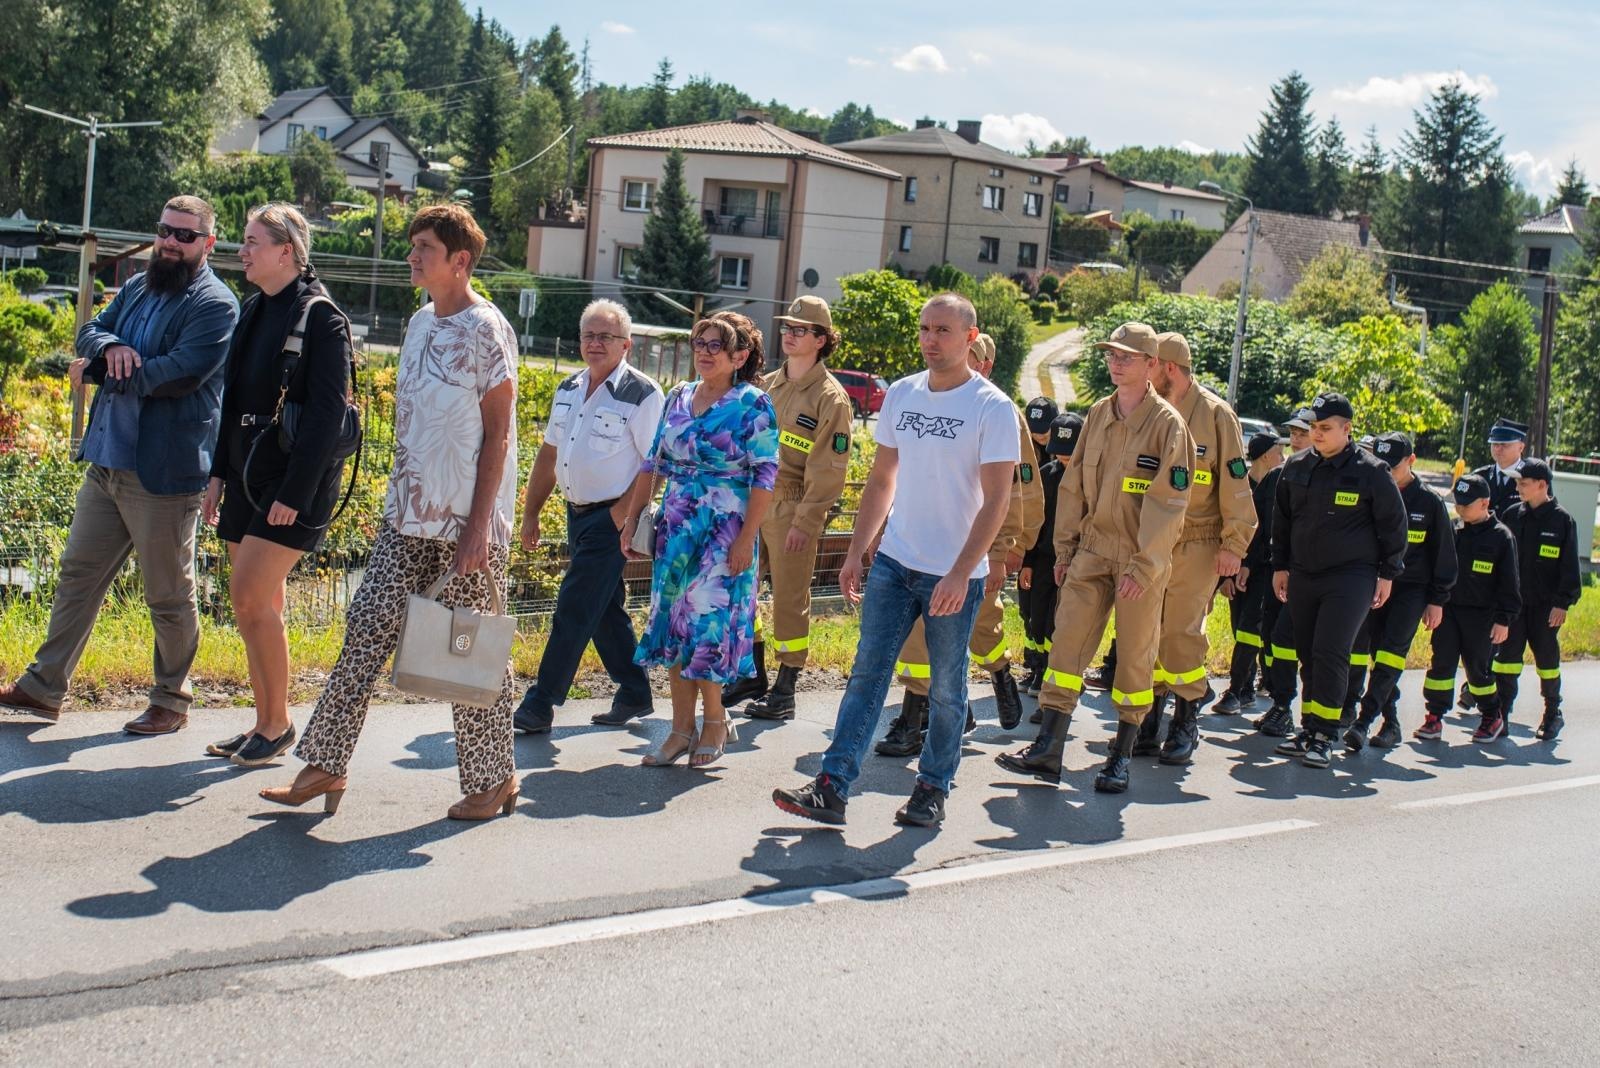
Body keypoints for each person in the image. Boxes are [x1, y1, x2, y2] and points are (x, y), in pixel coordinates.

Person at [260, 204, 521, 820]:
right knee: (366, 630)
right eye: (412, 246)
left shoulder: (488, 329)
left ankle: (493, 780)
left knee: (467, 651)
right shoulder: (420, 322)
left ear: (460, 260)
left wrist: (479, 528)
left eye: (423, 247)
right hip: (406, 514)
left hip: (465, 523)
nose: (412, 256)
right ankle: (325, 764)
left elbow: (499, 435)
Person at [771, 293, 1018, 828]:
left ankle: (931, 788)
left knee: (948, 689)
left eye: (944, 331)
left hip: (954, 575)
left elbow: (998, 500)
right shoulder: (903, 394)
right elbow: (883, 479)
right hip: (895, 563)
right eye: (925, 329)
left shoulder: (992, 408)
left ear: (970, 338)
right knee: (867, 675)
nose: (931, 340)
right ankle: (833, 785)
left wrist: (960, 572)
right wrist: (859, 550)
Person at [0, 197, 238, 734]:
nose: (171, 243)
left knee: (168, 596)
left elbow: (179, 374)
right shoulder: (138, 286)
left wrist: (100, 371)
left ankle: (171, 700)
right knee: (77, 577)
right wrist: (107, 347)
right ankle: (43, 688)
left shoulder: (216, 304)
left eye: (185, 235)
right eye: (165, 231)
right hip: (107, 462)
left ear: (208, 244)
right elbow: (90, 329)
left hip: (162, 475)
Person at [995, 321, 1194, 793]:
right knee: (1066, 647)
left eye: (1126, 356)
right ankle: (1048, 749)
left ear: (1151, 365)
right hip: (1090, 551)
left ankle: (1121, 756)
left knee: (1134, 659)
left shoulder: (1169, 427)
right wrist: (1064, 549)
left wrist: (1144, 566)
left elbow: (1170, 504)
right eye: (1111, 354)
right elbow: (1072, 486)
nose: (1115, 362)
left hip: (1138, 561)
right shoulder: (1099, 415)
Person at [202, 203, 354, 766]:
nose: (242, 251)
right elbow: (232, 402)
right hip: (246, 474)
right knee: (259, 604)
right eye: (242, 241)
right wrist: (218, 475)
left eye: (252, 241)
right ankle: (267, 723)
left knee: (246, 597)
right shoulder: (252, 308)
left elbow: (325, 417)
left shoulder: (322, 318)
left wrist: (294, 493)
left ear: (286, 250)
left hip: (294, 484)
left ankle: (278, 724)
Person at [621, 312, 778, 768]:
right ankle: (678, 729)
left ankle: (713, 721)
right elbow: (653, 462)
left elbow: (766, 475)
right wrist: (632, 521)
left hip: (725, 528)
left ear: (740, 357)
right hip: (676, 528)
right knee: (671, 624)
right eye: (700, 344)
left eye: (716, 346)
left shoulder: (754, 404)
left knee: (706, 625)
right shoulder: (678, 395)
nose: (705, 353)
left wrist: (747, 538)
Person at [876, 332, 1041, 756]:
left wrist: (1003, 552)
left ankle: (1001, 676)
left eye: (982, 359)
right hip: (922, 549)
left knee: (984, 630)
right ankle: (915, 717)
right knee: (919, 636)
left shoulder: (1000, 412)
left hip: (977, 549)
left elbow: (1014, 496)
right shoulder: (921, 397)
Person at [512, 299, 664, 734]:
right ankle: (635, 690)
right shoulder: (569, 388)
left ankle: (541, 703)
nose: (595, 344)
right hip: (575, 515)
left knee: (575, 606)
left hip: (614, 519)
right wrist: (532, 512)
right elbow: (549, 454)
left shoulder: (644, 393)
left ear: (626, 345)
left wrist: (624, 516)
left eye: (606, 337)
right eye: (588, 335)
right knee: (603, 610)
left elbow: (657, 464)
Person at [1133, 332, 1255, 766]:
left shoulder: (1216, 416)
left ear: (1168, 368)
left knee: (1182, 632)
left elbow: (1238, 489)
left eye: (1149, 366)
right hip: (1152, 543)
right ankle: (1149, 719)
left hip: (1199, 542)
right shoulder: (1149, 413)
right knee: (1146, 631)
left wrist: (1233, 547)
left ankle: (1186, 719)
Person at [1269, 393, 1407, 769]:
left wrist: (1387, 574)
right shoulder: (1296, 466)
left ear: (1347, 429)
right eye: (1313, 427)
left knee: (1331, 650)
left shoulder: (1371, 471)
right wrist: (1280, 566)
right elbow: (1281, 523)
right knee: (1309, 653)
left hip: (1352, 577)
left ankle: (1326, 734)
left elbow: (1394, 525)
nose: (1317, 434)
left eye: (1325, 428)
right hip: (1303, 573)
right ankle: (1310, 728)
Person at [738, 296, 854, 721]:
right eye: (787, 327)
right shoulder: (768, 385)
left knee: (789, 597)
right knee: (740, 587)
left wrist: (806, 521)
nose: (789, 334)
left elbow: (828, 470)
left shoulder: (831, 399)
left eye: (800, 330)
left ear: (821, 339)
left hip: (792, 504)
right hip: (755, 500)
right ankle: (751, 672)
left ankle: (785, 687)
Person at [1341, 432, 1456, 751]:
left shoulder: (1430, 502)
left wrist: (1437, 600)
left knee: (1391, 654)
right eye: (1382, 465)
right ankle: (1389, 721)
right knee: (1372, 653)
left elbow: (1444, 554)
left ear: (1412, 461)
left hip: (1411, 590)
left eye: (1394, 465)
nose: (1387, 471)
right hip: (1372, 583)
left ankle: (1364, 722)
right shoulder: (1370, 491)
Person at [1415, 475, 1519, 742]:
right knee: (1441, 665)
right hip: (1449, 611)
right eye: (1457, 504)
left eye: (1466, 504)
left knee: (1477, 669)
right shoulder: (1453, 529)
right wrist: (1433, 602)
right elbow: (1438, 569)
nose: (1460, 509)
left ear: (1485, 503)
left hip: (1483, 617)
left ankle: (1491, 716)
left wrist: (1503, 620)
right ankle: (1434, 717)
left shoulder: (1501, 537)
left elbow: (1510, 584)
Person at [1494, 459, 1580, 740]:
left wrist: (1562, 603)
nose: (1518, 487)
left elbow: (1569, 568)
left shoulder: (1562, 520)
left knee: (1546, 659)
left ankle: (1552, 712)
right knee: (1506, 660)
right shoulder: (1511, 515)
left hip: (1545, 607)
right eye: (1517, 482)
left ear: (1542, 485)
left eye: (1523, 483)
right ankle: (1501, 714)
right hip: (1513, 605)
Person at [1254, 407, 1315, 737]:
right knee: (1274, 638)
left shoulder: (1327, 476)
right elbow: (1261, 525)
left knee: (1302, 643)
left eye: (1302, 433)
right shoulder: (1280, 474)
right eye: (1293, 433)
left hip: (1311, 576)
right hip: (1277, 572)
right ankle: (1281, 704)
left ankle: (1311, 715)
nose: (1296, 439)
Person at [1216, 430, 1285, 714]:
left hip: (1265, 569)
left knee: (1250, 628)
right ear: (1267, 455)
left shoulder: (1282, 483)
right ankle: (1245, 685)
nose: (1283, 457)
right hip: (1240, 567)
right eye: (1279, 451)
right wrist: (1227, 576)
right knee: (1240, 627)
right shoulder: (1240, 485)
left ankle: (1240, 688)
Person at [1020, 409, 1078, 705]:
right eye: (1060, 454)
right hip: (1043, 558)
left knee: (1062, 623)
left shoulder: (1090, 478)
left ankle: (1058, 675)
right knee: (1037, 617)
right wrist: (1027, 562)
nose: (1064, 460)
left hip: (1076, 562)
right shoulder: (1046, 474)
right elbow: (1034, 521)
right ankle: (1039, 669)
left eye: (1070, 454)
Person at [1015, 396, 1060, 696]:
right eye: (1034, 429)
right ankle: (1032, 661)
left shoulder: (1062, 456)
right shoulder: (1023, 449)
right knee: (1027, 608)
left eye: (1044, 430)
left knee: (1048, 614)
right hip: (1025, 542)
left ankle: (1045, 666)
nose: (1039, 435)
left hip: (1048, 547)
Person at [1474, 418, 1529, 518]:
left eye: (1504, 444)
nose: (1498, 449)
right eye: (1494, 444)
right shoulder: (1480, 476)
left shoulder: (1532, 476)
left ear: (1520, 447)